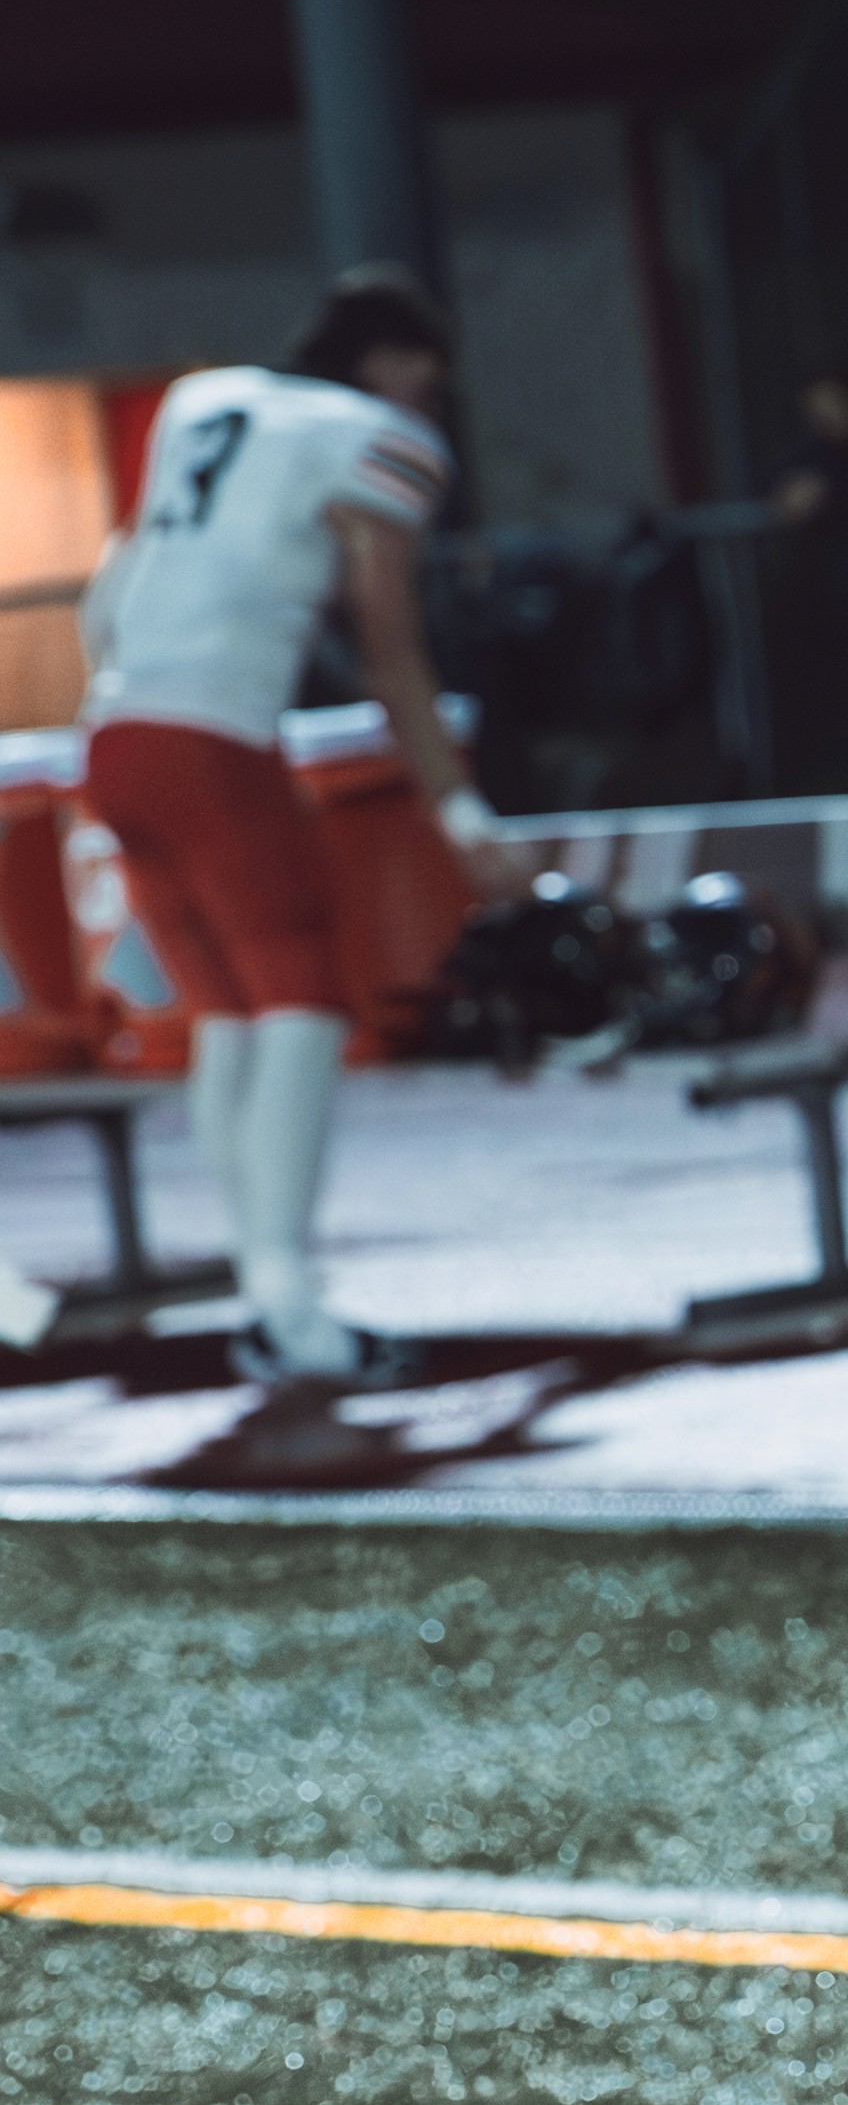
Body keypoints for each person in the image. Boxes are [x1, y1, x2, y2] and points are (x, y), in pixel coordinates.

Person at [72, 268, 525, 1386]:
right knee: (304, 1000)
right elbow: (390, 648)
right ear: (389, 363)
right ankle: (292, 1308)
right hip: (212, 740)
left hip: (116, 734)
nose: (427, 401)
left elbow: (110, 593)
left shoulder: (205, 399)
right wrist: (460, 809)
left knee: (228, 1011)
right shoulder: (372, 437)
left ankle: (264, 1289)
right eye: (424, 376)